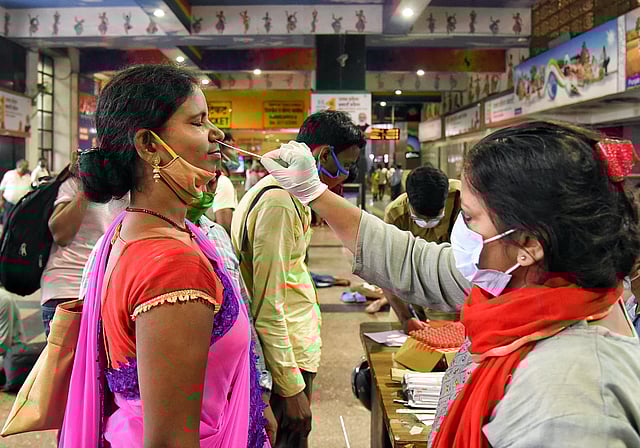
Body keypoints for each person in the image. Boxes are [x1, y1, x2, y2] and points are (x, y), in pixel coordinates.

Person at [261, 121, 640, 447]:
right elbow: (414, 262)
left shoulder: (574, 400)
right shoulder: (528, 287)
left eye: (471, 218)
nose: (460, 231)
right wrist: (314, 192)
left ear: (529, 243)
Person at [59, 64, 269, 448]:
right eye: (198, 122)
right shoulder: (173, 266)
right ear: (149, 145)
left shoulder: (135, 229)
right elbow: (171, 440)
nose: (216, 135)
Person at [231, 110, 364, 448]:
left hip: (291, 353)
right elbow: (268, 305)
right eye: (347, 165)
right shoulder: (279, 202)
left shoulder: (290, 195)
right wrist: (291, 388)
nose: (346, 175)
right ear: (324, 155)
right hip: (284, 363)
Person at [41, 150, 127, 336]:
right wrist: (87, 187)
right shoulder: (73, 185)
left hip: (102, 291)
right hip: (67, 291)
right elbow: (61, 235)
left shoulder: (125, 192)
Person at [367, 165, 461, 326]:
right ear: (408, 201)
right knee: (404, 332)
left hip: (454, 285)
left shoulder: (463, 201)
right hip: (412, 286)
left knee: (448, 333)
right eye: (419, 218)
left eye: (436, 218)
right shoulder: (396, 214)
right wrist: (405, 318)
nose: (427, 223)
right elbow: (385, 272)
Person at [209, 132, 238, 234]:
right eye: (231, 147)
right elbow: (225, 228)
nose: (235, 152)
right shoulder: (223, 182)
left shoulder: (214, 180)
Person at [0, 159, 31, 227]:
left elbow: (30, 190)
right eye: (23, 167)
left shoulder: (28, 177)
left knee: (18, 223)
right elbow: (2, 188)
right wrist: (1, 200)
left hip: (21, 204)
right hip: (9, 203)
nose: (25, 170)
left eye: (26, 167)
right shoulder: (9, 174)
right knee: (7, 222)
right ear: (18, 167)